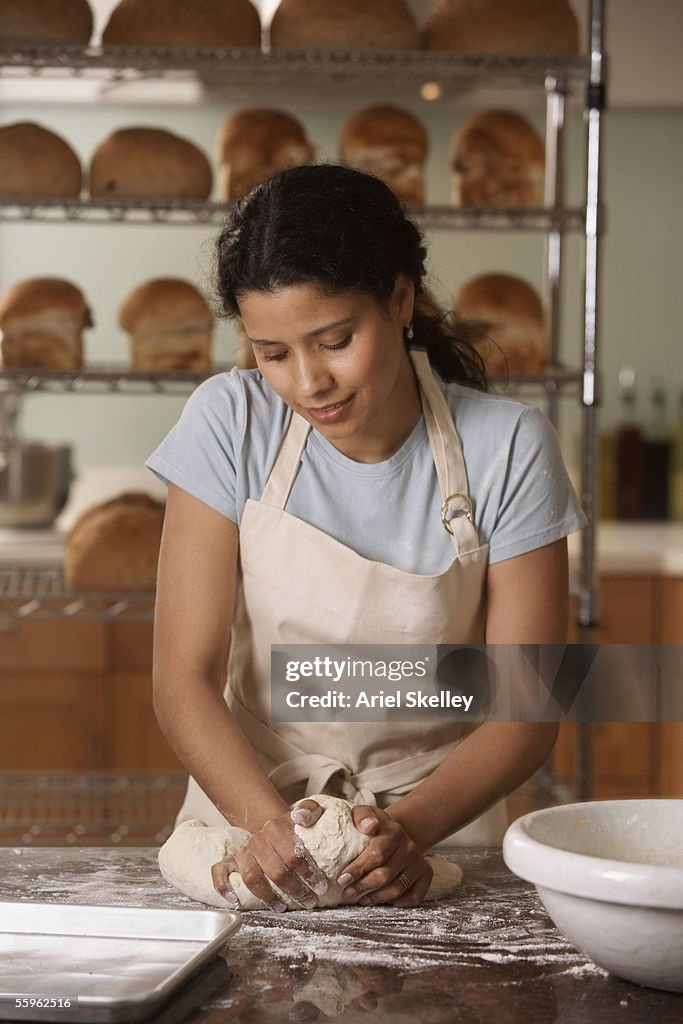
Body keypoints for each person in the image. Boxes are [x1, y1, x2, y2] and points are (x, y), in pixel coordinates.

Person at [146, 164, 586, 912]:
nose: (309, 381)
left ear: (401, 299)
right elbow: (180, 679)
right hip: (249, 818)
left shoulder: (507, 445)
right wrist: (269, 830)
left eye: (335, 340)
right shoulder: (230, 423)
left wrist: (404, 834)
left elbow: (527, 709)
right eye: (272, 353)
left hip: (436, 837)